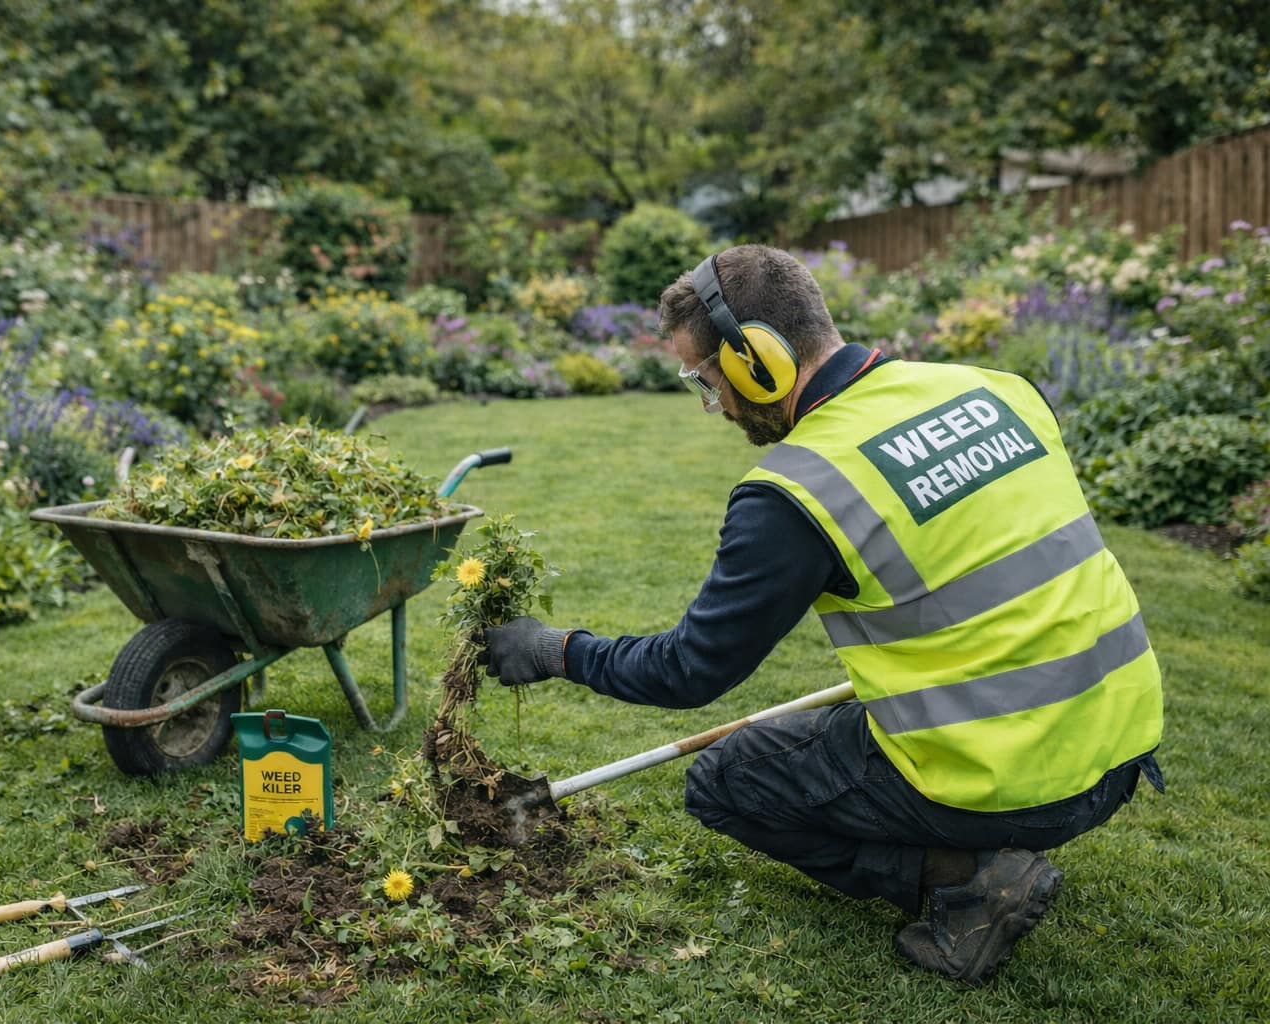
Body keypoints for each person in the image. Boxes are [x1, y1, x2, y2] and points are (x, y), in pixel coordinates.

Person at [476, 243, 1164, 984]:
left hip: (1014, 781)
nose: (715, 405)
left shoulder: (798, 491)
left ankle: (965, 881)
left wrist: (556, 650)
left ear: (756, 361)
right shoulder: (996, 389)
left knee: (728, 780)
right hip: (1119, 750)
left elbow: (690, 669)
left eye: (708, 380)